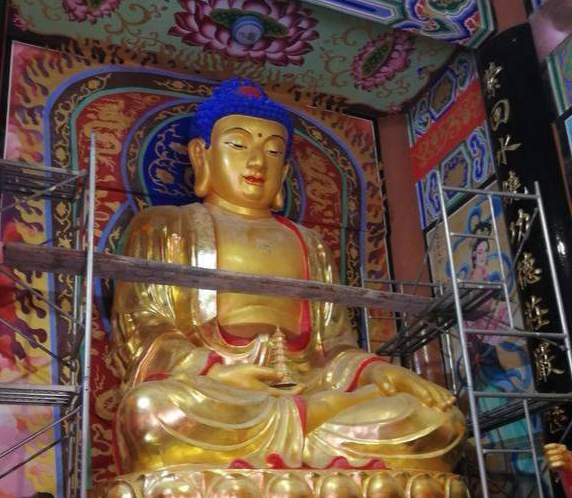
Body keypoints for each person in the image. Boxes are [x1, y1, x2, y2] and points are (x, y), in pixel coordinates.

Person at [111, 79, 465, 474]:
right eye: (238, 145)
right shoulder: (165, 226)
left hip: (309, 386)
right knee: (150, 411)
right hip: (221, 392)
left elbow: (334, 346)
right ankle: (313, 428)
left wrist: (382, 371)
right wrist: (215, 372)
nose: (257, 162)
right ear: (201, 155)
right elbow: (143, 326)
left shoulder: (309, 243)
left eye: (273, 151)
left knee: (442, 421)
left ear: (284, 170)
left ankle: (310, 421)